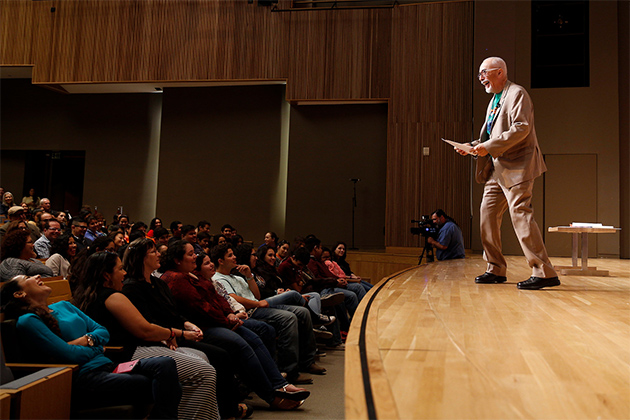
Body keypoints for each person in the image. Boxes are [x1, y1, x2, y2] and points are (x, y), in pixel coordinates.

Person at [0, 274, 182, 418]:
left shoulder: (64, 306)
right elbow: (69, 355)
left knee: (165, 364)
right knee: (151, 383)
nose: (37, 276)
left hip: (109, 366)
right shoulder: (29, 320)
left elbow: (103, 331)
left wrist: (85, 341)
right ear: (19, 294)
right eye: (27, 278)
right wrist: (97, 347)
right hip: (84, 375)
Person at [160, 244, 311, 411]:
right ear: (177, 260)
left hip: (218, 320)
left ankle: (280, 384)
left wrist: (229, 314)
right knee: (241, 343)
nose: (195, 256)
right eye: (190, 254)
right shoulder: (176, 279)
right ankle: (271, 396)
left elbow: (218, 297)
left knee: (253, 337)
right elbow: (201, 309)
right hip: (200, 327)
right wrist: (228, 320)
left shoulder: (192, 274)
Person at [74, 251, 222, 420]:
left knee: (201, 356)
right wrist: (173, 333)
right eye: (120, 269)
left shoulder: (89, 295)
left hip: (123, 350)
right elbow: (145, 330)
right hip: (125, 353)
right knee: (205, 371)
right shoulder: (112, 297)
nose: (124, 273)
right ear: (106, 275)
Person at [455, 57, 559, 290]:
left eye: (484, 73)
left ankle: (544, 272)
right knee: (487, 215)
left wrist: (488, 147)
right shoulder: (493, 100)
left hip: (517, 166)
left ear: (499, 72)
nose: (480, 78)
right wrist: (472, 146)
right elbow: (491, 136)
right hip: (496, 169)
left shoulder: (517, 94)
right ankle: (495, 268)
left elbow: (521, 128)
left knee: (520, 214)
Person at [121, 238, 242, 419]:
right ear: (141, 258)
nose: (159, 254)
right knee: (218, 356)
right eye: (153, 251)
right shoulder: (132, 288)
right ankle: (226, 411)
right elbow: (148, 324)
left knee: (219, 354)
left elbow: (174, 313)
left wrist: (188, 324)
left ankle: (219, 411)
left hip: (174, 334)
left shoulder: (158, 283)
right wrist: (178, 333)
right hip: (160, 339)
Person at [211, 243, 324, 384]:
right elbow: (233, 298)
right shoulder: (218, 278)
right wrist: (257, 304)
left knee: (302, 312)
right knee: (289, 317)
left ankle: (308, 361)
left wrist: (249, 276)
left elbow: (256, 295)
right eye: (230, 255)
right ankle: (290, 371)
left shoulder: (238, 277)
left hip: (258, 306)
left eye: (234, 254)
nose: (235, 257)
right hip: (250, 311)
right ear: (220, 261)